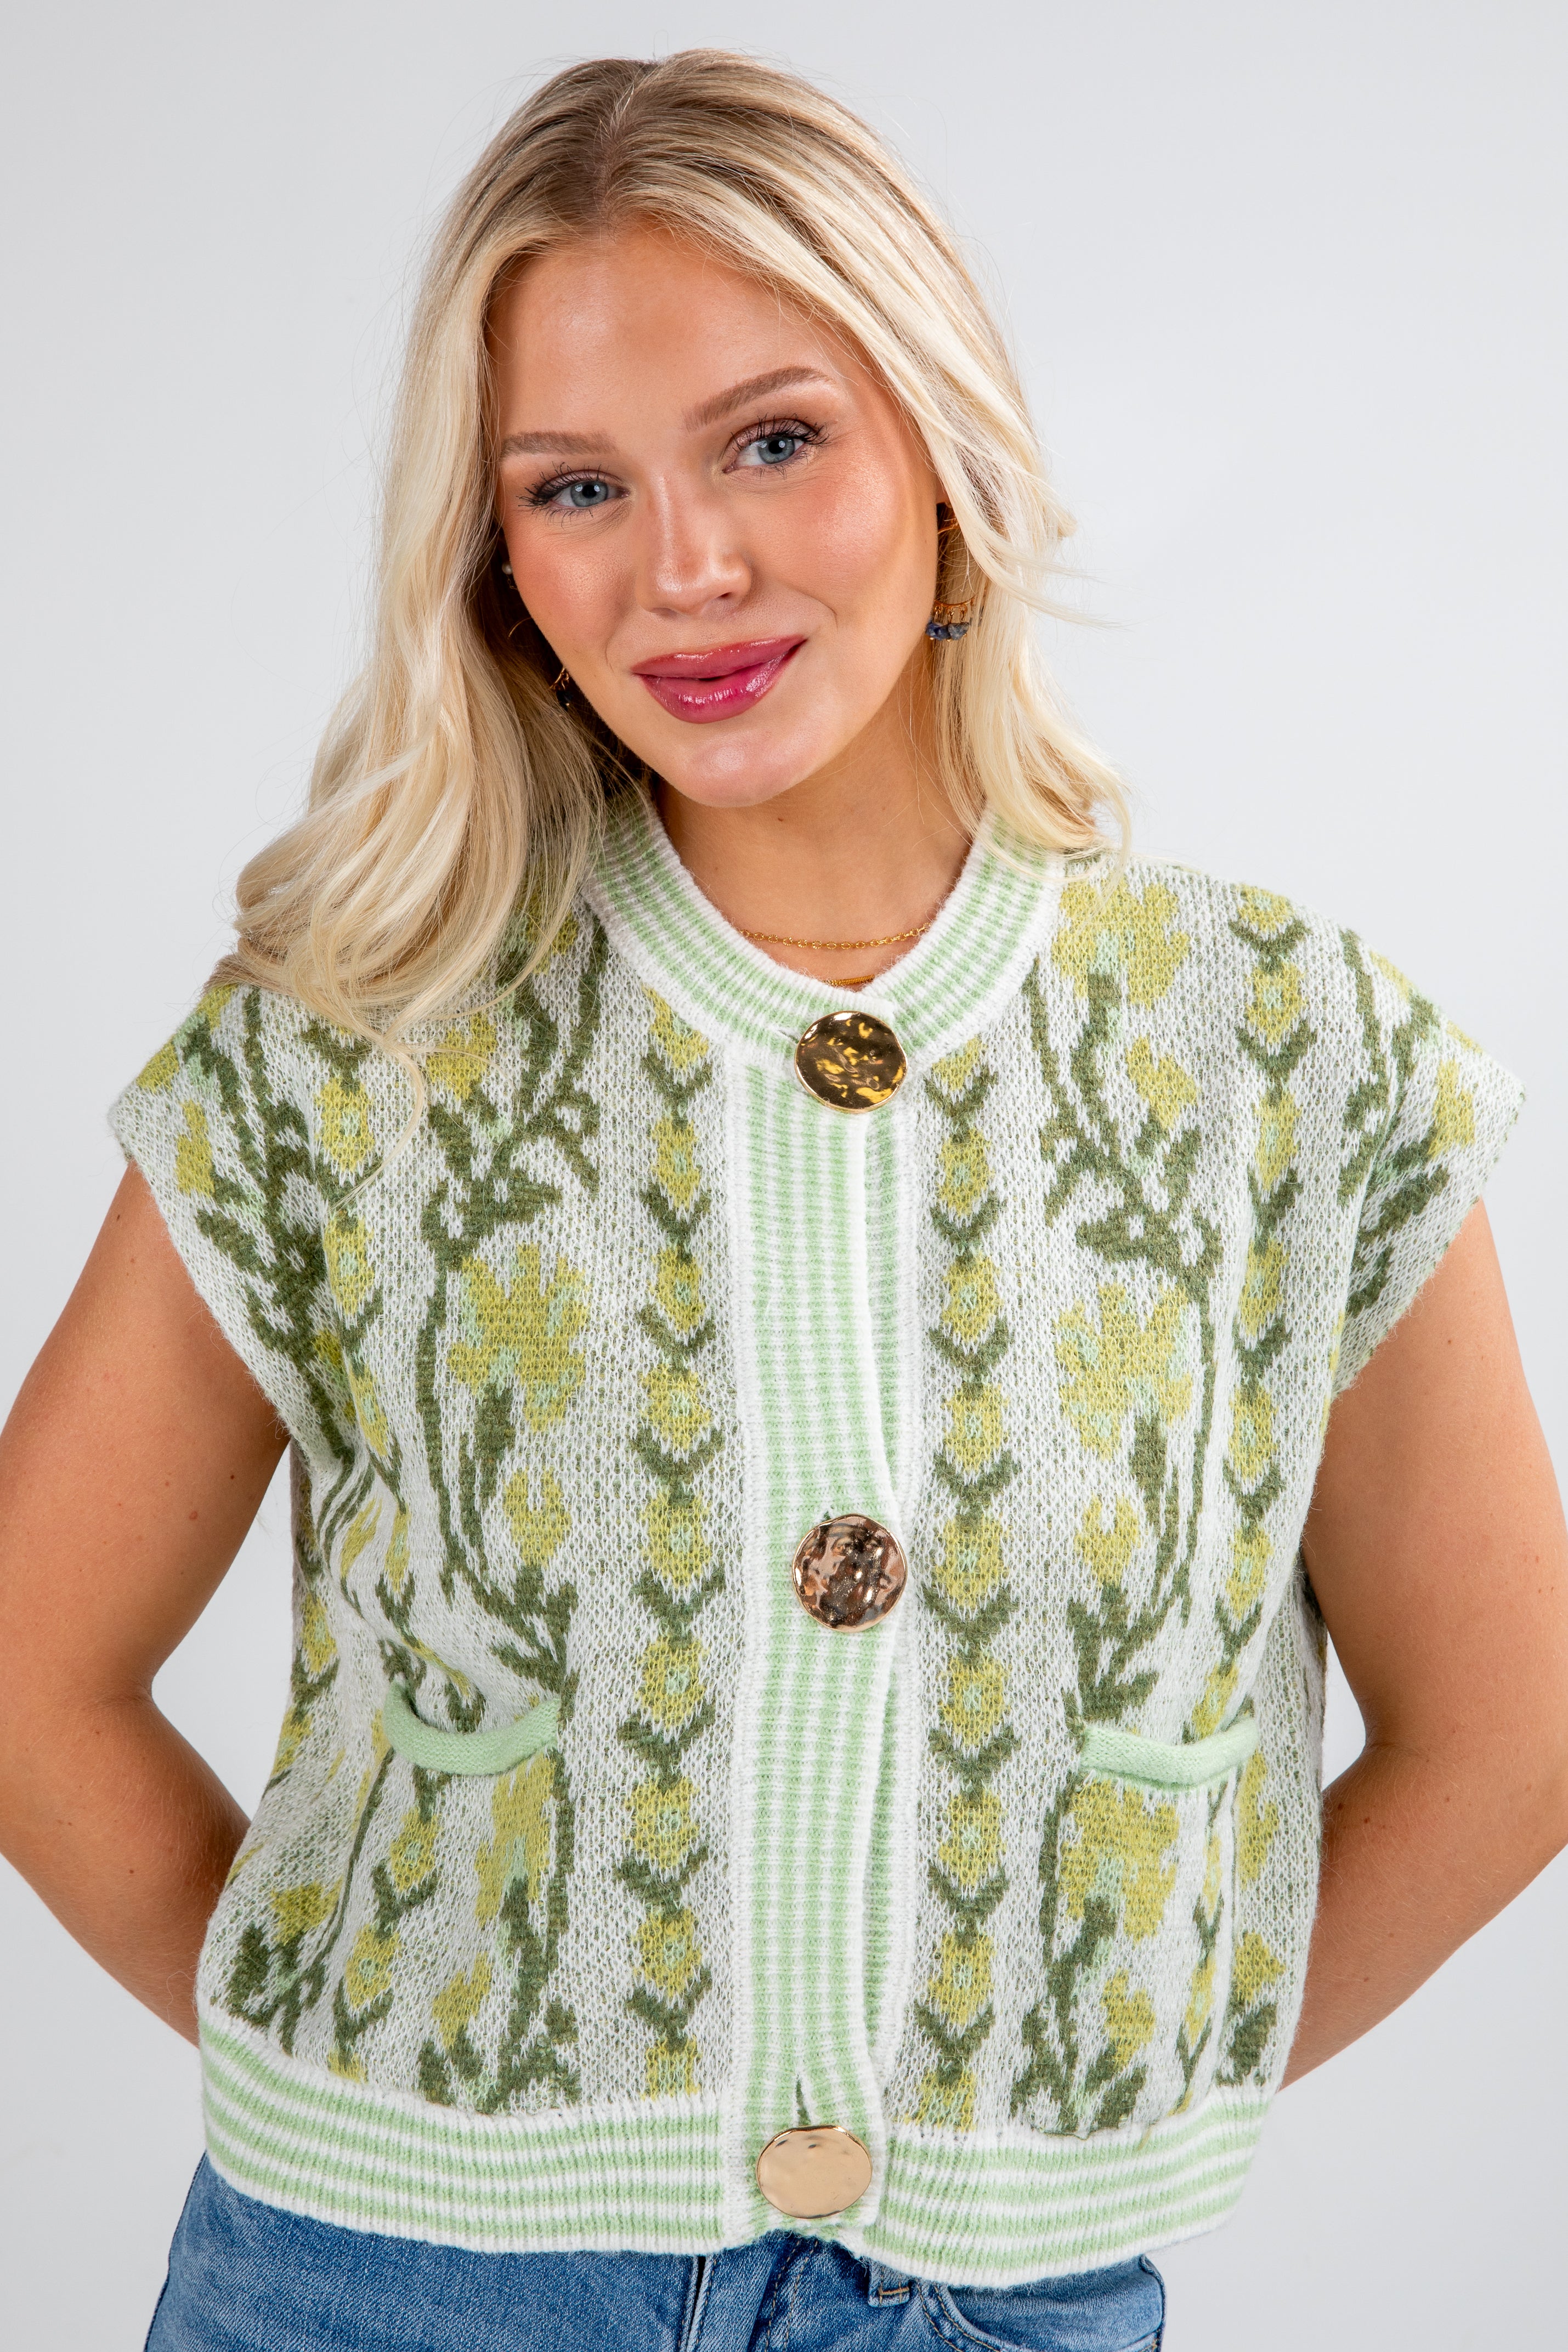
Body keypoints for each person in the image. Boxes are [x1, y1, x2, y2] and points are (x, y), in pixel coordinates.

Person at [1, 48, 1564, 2352]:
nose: (685, 568)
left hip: (996, 2306)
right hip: (375, 2302)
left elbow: (1510, 1727)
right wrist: (390, 2091)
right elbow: (29, 1668)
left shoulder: (1278, 1047)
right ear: (500, 561)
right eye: (572, 487)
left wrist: (1085, 2100)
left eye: (772, 439)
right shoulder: (356, 1049)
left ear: (935, 432)